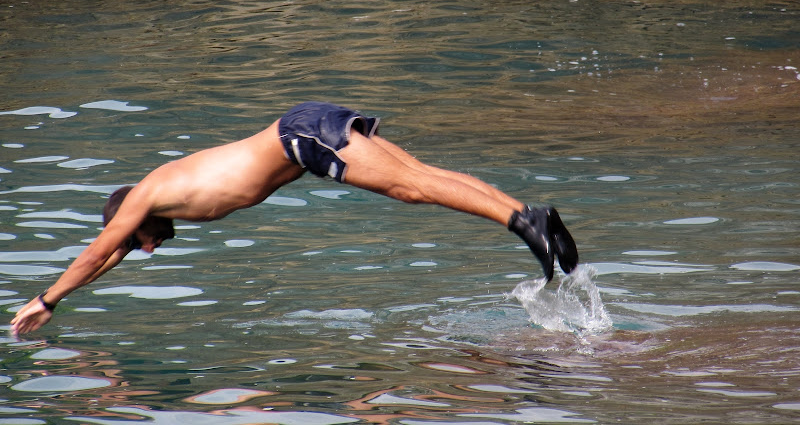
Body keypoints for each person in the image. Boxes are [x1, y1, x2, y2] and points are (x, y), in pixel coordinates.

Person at [11, 101, 578, 336]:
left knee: (412, 186)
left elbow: (97, 250)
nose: (150, 249)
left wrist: (46, 300)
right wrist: (67, 295)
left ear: (127, 217)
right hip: (305, 125)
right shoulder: (151, 208)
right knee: (421, 180)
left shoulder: (146, 194)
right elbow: (109, 256)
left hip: (299, 137)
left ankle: (523, 221)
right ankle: (528, 216)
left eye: (142, 243)